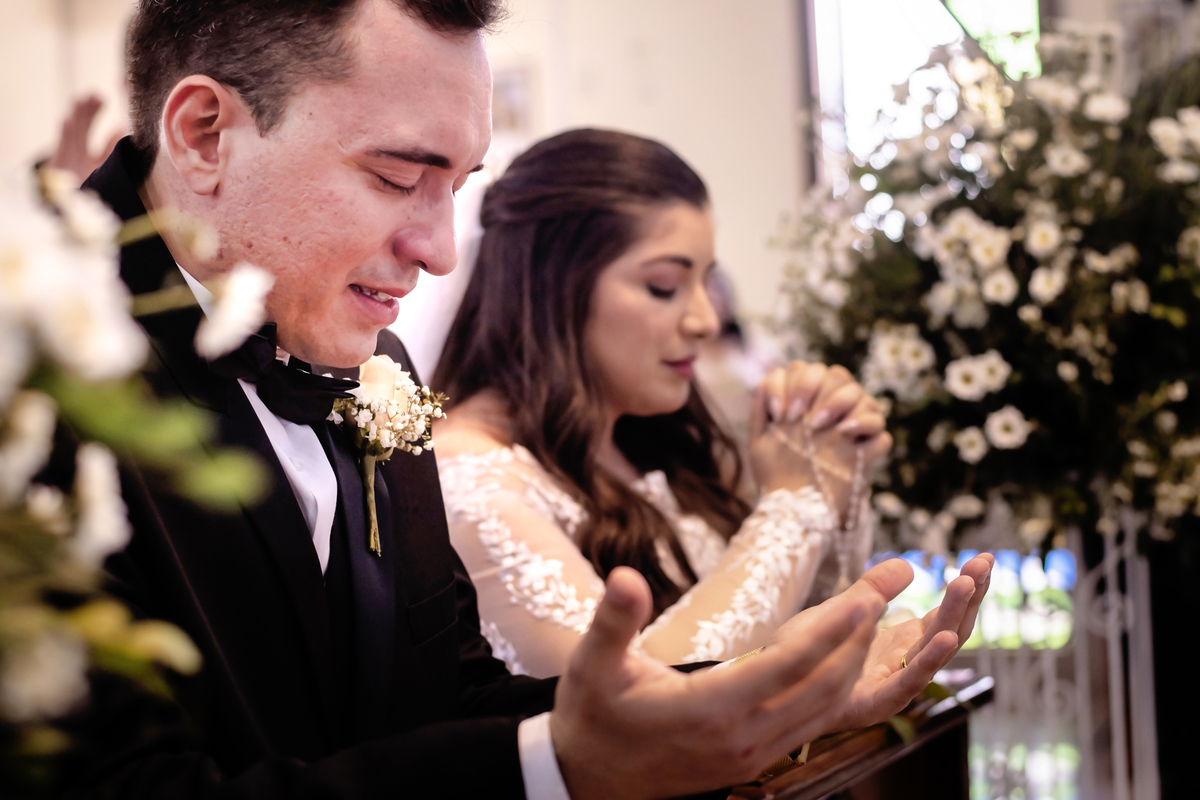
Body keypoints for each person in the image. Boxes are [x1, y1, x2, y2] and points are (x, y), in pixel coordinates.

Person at [69, 1, 994, 798]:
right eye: (397, 177)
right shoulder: (33, 379)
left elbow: (448, 699)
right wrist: (556, 773)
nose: (440, 252)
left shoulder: (376, 366)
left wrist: (759, 698)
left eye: (456, 188)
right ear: (203, 135)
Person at [433, 129, 892, 678]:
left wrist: (830, 470)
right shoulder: (469, 474)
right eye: (664, 286)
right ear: (555, 288)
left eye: (707, 282)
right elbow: (637, 703)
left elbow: (788, 636)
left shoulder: (648, 438)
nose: (705, 320)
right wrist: (794, 503)